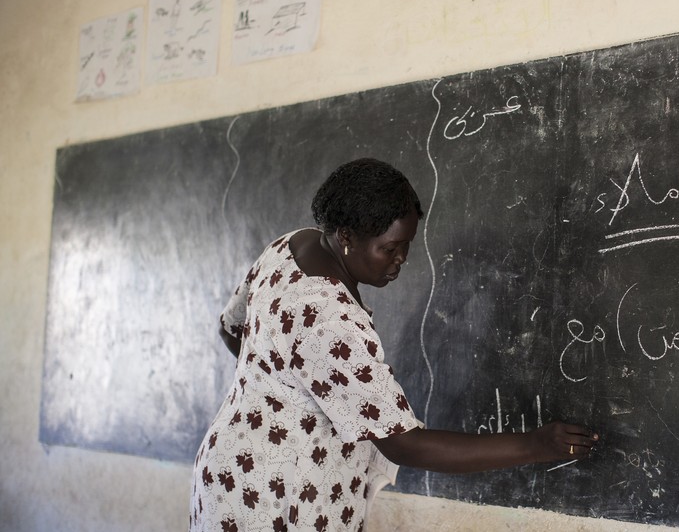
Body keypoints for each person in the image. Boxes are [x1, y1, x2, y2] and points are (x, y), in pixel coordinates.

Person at [189, 158, 599, 532]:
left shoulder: (292, 245)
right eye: (389, 248)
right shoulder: (331, 317)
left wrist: (289, 391)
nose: (401, 259)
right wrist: (536, 443)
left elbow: (232, 329)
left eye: (406, 246)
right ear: (346, 235)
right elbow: (403, 443)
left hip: (231, 467)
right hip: (275, 495)